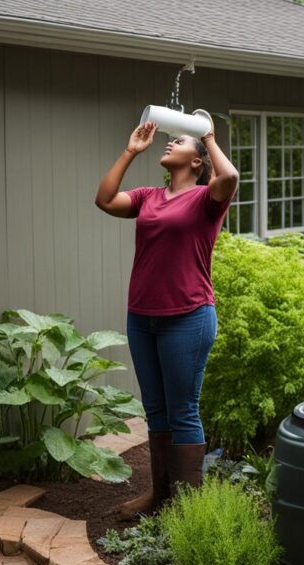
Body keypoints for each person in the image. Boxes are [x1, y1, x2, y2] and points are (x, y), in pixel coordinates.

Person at [94, 115, 238, 518]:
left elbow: (229, 176)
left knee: (183, 411)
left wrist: (207, 135)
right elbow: (104, 199)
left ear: (197, 161)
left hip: (188, 316)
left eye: (180, 142)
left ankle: (186, 512)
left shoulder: (208, 198)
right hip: (142, 317)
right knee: (155, 411)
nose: (170, 144)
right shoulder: (147, 197)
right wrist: (130, 151)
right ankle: (160, 498)